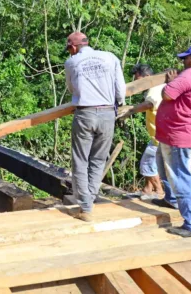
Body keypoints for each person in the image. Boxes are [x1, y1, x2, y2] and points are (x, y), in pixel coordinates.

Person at [153, 43, 191, 237]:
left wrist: (172, 81)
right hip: (182, 132)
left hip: (180, 135)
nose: (183, 61)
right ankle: (171, 199)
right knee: (165, 167)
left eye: (186, 58)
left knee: (181, 177)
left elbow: (167, 94)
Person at [64, 32, 126, 222]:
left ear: (73, 47)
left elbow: (71, 88)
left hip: (85, 113)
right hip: (108, 114)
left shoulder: (72, 63)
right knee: (98, 160)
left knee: (81, 160)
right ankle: (90, 199)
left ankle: (86, 207)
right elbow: (120, 88)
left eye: (69, 50)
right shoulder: (110, 57)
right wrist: (120, 102)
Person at [130, 63, 166, 200]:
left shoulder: (155, 89)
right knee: (150, 161)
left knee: (146, 164)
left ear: (148, 77)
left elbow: (149, 104)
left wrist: (131, 110)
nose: (136, 83)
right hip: (157, 135)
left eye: (138, 80)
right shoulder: (158, 88)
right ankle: (147, 190)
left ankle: (159, 191)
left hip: (159, 137)